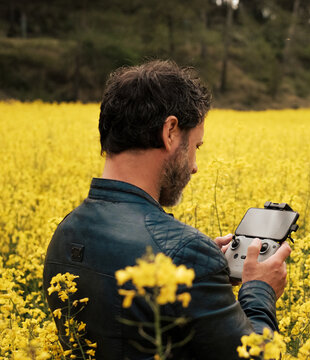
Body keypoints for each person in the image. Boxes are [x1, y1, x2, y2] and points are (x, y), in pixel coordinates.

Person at [43, 60, 292, 359]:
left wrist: (197, 277)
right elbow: (256, 355)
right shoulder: (185, 252)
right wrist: (260, 290)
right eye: (195, 147)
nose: (195, 167)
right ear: (171, 131)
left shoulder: (65, 231)